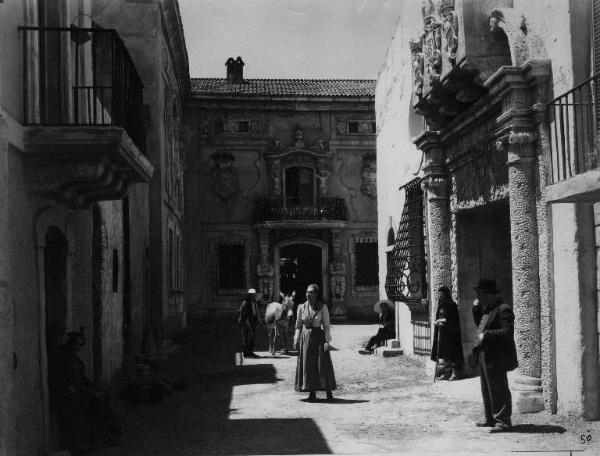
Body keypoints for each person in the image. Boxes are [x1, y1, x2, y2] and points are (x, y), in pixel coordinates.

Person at [50, 328, 121, 453]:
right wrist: (71, 388)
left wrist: (93, 389)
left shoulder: (76, 360)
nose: (78, 348)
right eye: (76, 344)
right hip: (69, 392)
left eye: (80, 345)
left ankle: (108, 436)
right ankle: (87, 443)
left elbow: (82, 378)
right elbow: (60, 378)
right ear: (70, 344)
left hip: (80, 389)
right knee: (88, 403)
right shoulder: (63, 358)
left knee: (100, 400)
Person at [471, 278, 518, 433]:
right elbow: (481, 324)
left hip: (497, 355)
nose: (479, 297)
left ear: (488, 294)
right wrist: (475, 310)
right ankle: (491, 419)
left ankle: (503, 421)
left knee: (498, 388)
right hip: (486, 354)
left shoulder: (503, 309)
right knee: (487, 389)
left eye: (480, 294)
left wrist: (487, 335)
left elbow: (507, 332)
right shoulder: (488, 309)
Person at [294, 284, 337, 402]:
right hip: (306, 338)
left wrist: (327, 341)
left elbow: (327, 325)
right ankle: (311, 393)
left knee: (322, 364)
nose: (308, 294)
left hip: (319, 337)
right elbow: (298, 325)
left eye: (311, 292)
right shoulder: (301, 307)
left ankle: (328, 392)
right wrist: (296, 338)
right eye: (307, 292)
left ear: (316, 294)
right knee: (308, 365)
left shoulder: (322, 307)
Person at [431, 286, 464, 380]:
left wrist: (441, 320)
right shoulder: (441, 305)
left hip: (452, 334)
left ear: (446, 294)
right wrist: (437, 322)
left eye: (441, 294)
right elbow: (439, 316)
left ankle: (455, 373)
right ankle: (446, 373)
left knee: (453, 353)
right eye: (439, 294)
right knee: (445, 354)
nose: (439, 295)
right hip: (443, 333)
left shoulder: (452, 304)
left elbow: (452, 319)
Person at [238, 288, 263, 358]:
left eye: (254, 295)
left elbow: (256, 312)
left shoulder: (254, 302)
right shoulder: (245, 303)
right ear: (249, 296)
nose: (253, 296)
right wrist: (248, 324)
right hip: (246, 322)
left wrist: (259, 320)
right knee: (246, 337)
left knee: (252, 337)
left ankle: (250, 351)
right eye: (252, 295)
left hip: (252, 321)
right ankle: (246, 353)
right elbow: (244, 315)